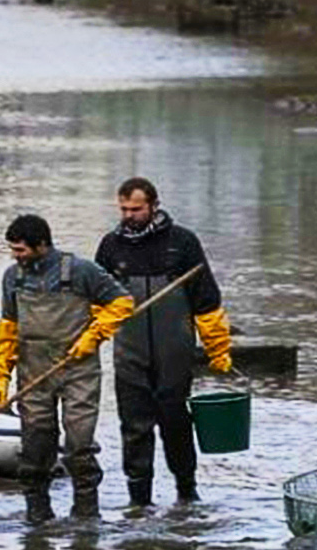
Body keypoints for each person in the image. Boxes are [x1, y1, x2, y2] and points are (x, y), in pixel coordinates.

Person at [93, 177, 232, 508]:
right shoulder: (111, 246)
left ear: (153, 205)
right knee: (134, 426)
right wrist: (89, 339)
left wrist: (218, 349)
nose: (129, 215)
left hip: (175, 352)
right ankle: (139, 499)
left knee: (176, 422)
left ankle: (186, 490)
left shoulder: (182, 242)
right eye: (124, 209)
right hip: (129, 352)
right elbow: (97, 304)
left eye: (136, 209)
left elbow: (207, 300)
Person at [0, 213, 133, 523]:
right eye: (12, 250)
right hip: (33, 370)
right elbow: (8, 328)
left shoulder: (81, 270)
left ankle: (86, 516)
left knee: (79, 444)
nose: (16, 257)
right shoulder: (12, 277)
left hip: (77, 368)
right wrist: (1, 376)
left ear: (42, 245)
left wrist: (92, 337)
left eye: (21, 250)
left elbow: (122, 303)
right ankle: (37, 516)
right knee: (35, 445)